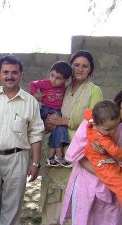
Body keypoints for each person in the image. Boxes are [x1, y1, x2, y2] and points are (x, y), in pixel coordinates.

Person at [0, 55, 44, 225]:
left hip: (17, 158)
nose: (9, 76)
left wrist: (35, 163)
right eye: (5, 72)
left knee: (12, 205)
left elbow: (36, 133)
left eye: (14, 72)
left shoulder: (30, 102)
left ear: (21, 75)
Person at [40, 50, 103, 225]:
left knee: (73, 205)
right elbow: (49, 114)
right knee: (52, 204)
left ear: (90, 70)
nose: (80, 69)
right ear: (70, 66)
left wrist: (65, 121)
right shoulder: (62, 89)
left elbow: (96, 121)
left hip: (78, 155)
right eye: (76, 65)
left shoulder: (94, 90)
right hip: (55, 151)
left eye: (85, 66)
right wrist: (50, 124)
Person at [60, 91, 122, 225]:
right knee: (85, 219)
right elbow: (76, 155)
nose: (111, 131)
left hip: (114, 184)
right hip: (88, 181)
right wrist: (105, 172)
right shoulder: (96, 119)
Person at [30, 61, 72, 167]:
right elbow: (32, 84)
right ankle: (59, 154)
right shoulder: (45, 83)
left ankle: (51, 157)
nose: (53, 80)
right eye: (52, 75)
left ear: (65, 80)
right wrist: (35, 95)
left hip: (57, 111)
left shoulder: (64, 88)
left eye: (58, 78)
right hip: (46, 110)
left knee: (57, 130)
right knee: (60, 127)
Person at [83, 100, 122, 204]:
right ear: (95, 124)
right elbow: (116, 152)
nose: (113, 132)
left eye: (115, 127)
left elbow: (87, 112)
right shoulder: (101, 139)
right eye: (108, 129)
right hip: (103, 165)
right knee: (120, 186)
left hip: (109, 161)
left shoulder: (93, 119)